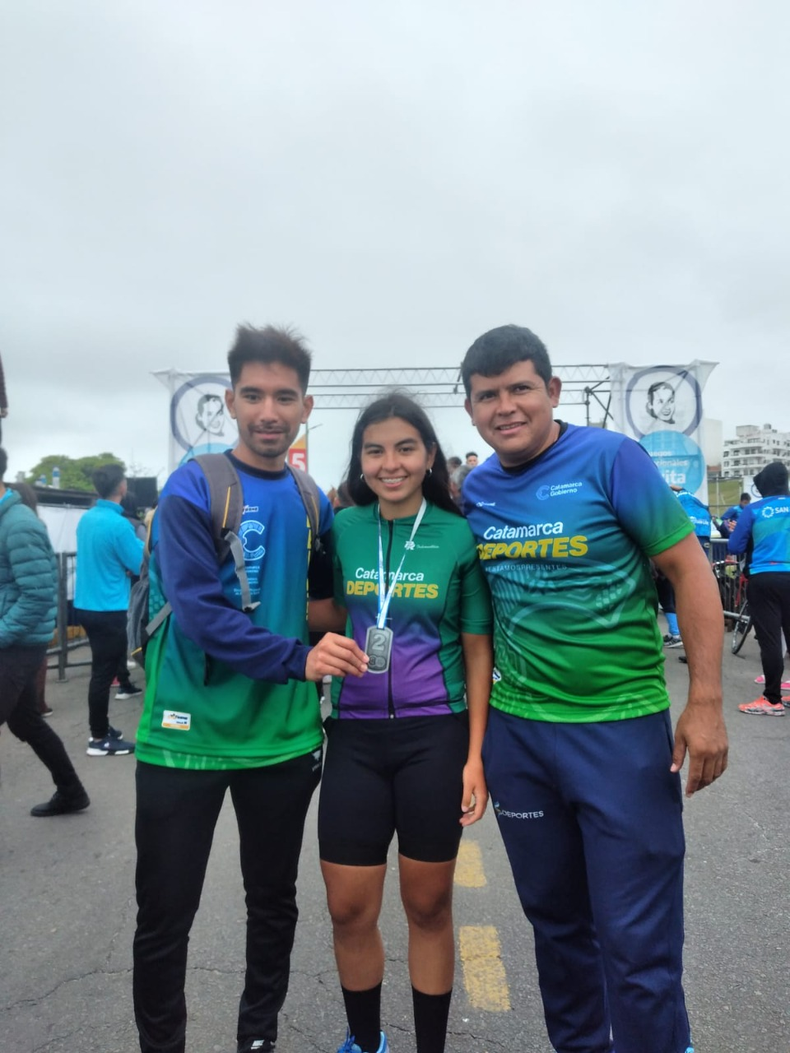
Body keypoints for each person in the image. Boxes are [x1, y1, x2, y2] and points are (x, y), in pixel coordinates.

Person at [460, 324, 728, 1053]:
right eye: (488, 395)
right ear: (471, 408)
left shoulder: (612, 459)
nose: (505, 406)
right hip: (521, 739)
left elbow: (689, 569)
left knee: (637, 943)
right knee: (557, 929)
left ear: (551, 391)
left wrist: (704, 702)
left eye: (520, 388)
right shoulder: (475, 489)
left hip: (620, 732)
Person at [132, 324, 369, 1053]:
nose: (270, 410)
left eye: (285, 397)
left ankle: (257, 1036)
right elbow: (201, 615)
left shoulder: (312, 498)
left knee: (273, 903)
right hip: (184, 736)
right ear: (231, 400)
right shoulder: (192, 486)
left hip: (283, 738)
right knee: (166, 913)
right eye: (255, 395)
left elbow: (336, 596)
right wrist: (299, 661)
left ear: (306, 406)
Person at [310, 393, 492, 1053]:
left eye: (405, 447)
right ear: (360, 459)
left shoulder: (457, 534)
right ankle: (366, 1041)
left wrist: (475, 755)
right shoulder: (341, 527)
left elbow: (477, 648)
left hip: (434, 738)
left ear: (429, 456)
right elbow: (322, 613)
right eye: (375, 449)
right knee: (348, 908)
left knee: (428, 906)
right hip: (354, 736)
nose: (390, 462)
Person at [0, 448, 90, 816]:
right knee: (25, 721)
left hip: (17, 644)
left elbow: (37, 595)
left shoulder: (18, 523)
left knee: (26, 721)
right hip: (14, 638)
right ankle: (71, 792)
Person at [74, 464, 143, 756]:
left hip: (86, 605)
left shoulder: (86, 519)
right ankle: (99, 738)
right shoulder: (118, 525)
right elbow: (141, 562)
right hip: (109, 607)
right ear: (123, 486)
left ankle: (101, 728)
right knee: (103, 673)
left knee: (100, 670)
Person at [728, 461, 790, 716]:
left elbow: (734, 546)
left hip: (765, 577)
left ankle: (772, 700)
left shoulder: (754, 509)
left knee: (771, 640)